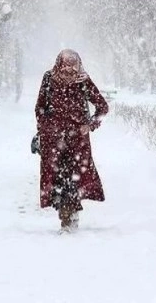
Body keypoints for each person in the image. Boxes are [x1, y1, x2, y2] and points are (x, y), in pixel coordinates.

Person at [35, 49, 109, 232]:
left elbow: (102, 108)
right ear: (59, 64)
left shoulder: (83, 81)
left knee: (73, 179)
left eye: (72, 65)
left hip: (77, 142)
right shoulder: (49, 79)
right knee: (57, 179)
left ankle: (69, 218)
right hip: (53, 141)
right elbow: (40, 108)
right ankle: (66, 215)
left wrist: (90, 125)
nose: (69, 70)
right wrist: (45, 128)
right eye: (65, 65)